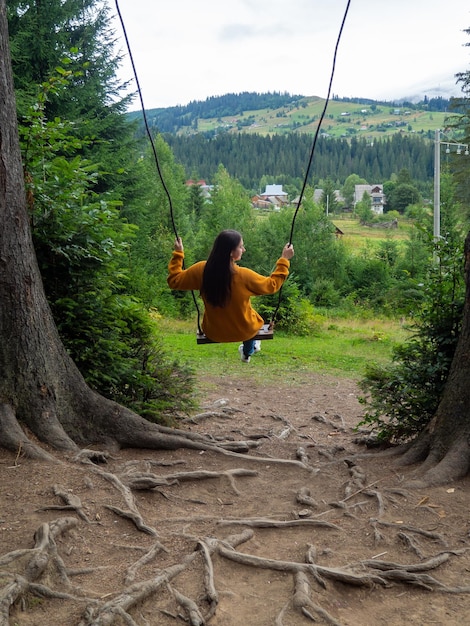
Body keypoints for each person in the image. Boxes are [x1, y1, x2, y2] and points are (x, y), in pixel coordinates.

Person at [167, 229, 294, 362]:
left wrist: (178, 253)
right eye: (240, 246)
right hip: (245, 331)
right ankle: (247, 351)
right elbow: (272, 285)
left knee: (250, 321)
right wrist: (284, 259)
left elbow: (174, 281)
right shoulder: (244, 276)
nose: (243, 249)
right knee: (252, 323)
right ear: (231, 252)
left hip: (214, 332)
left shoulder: (201, 270)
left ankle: (248, 351)